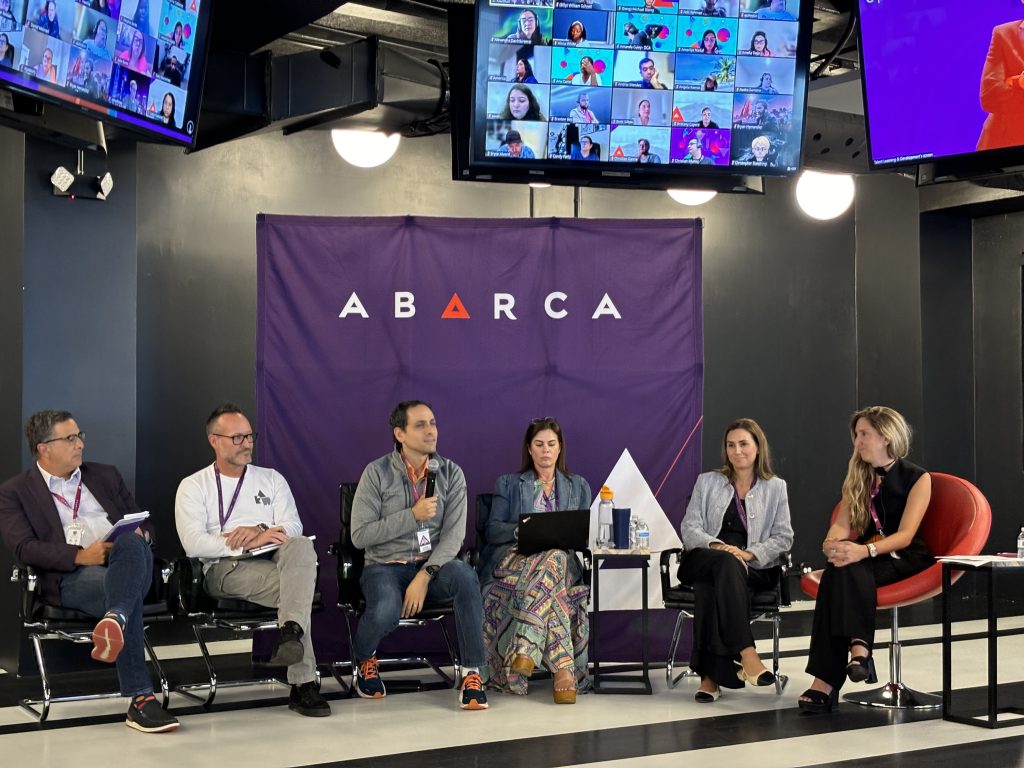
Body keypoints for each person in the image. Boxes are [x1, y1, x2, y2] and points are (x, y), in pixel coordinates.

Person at [0, 411, 180, 733]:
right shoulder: (15, 492)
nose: (80, 444)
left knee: (131, 545)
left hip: (126, 562)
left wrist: (144, 535)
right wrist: (81, 556)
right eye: (70, 438)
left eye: (80, 435)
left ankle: (118, 624)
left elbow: (146, 522)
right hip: (73, 578)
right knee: (124, 594)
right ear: (44, 448)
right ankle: (139, 694)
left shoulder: (105, 476)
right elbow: (24, 548)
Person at [175, 403, 331, 717]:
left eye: (250, 436)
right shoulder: (193, 486)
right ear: (214, 440)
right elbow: (193, 544)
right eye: (237, 438)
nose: (248, 444)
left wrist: (259, 531)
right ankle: (303, 684)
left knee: (301, 545)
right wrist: (241, 545)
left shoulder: (271, 478)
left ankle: (291, 635)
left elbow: (293, 526)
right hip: (223, 568)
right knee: (298, 590)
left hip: (276, 557)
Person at [350, 400, 488, 710]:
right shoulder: (377, 473)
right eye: (420, 425)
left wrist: (426, 575)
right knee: (386, 609)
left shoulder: (451, 473)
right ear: (399, 433)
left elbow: (454, 536)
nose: (431, 431)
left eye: (433, 423)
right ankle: (364, 658)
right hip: (384, 566)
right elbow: (360, 536)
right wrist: (412, 515)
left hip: (432, 567)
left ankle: (471, 673)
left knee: (466, 576)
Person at [799, 407, 933, 714]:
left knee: (848, 565)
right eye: (856, 435)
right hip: (868, 557)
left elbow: (906, 535)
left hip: (904, 555)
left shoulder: (917, 478)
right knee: (839, 564)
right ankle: (858, 654)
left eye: (864, 434)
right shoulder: (859, 475)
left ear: (886, 437)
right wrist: (832, 542)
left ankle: (827, 680)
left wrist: (863, 551)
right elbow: (842, 523)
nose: (857, 441)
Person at [678, 419, 793, 703]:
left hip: (752, 567)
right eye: (731, 445)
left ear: (757, 447)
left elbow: (783, 537)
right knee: (722, 566)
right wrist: (720, 547)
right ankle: (747, 653)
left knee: (710, 586)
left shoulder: (775, 487)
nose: (737, 451)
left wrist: (749, 553)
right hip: (704, 557)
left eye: (743, 444)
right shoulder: (708, 481)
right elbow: (690, 528)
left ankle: (710, 678)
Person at [479, 418, 592, 703]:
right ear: (529, 449)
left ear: (559, 448)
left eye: (551, 445)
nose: (545, 451)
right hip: (515, 561)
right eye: (539, 444)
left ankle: (526, 648)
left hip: (560, 566)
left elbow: (580, 536)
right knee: (552, 583)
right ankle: (564, 673)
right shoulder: (509, 483)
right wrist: (522, 529)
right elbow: (493, 530)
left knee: (554, 558)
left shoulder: (578, 486)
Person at [977, 10, 1024, 151]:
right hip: (1000, 150)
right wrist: (1020, 82)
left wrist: (1012, 82)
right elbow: (989, 97)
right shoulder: (1003, 34)